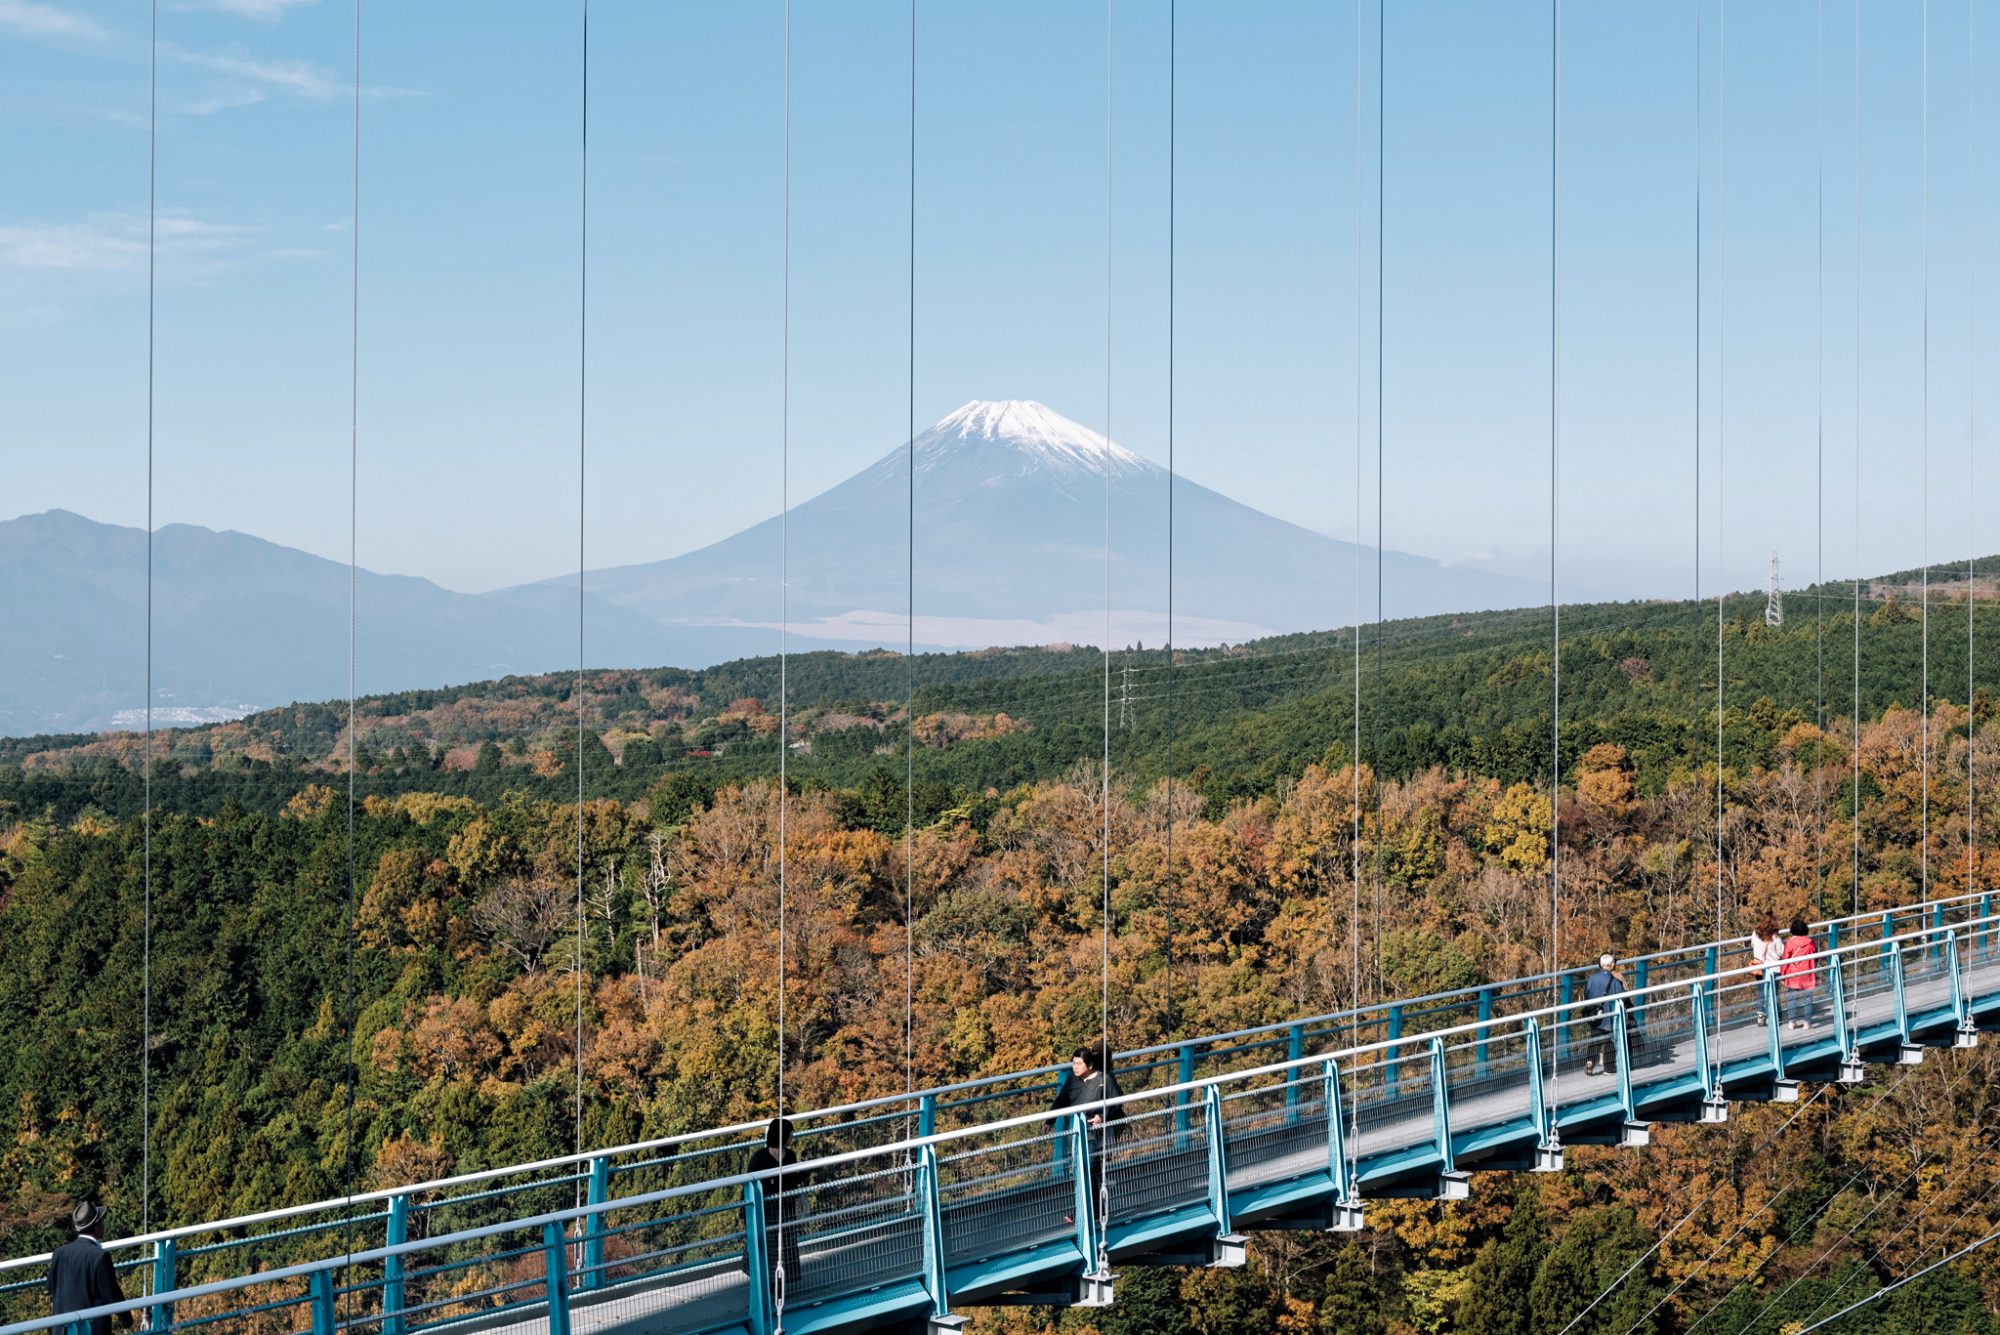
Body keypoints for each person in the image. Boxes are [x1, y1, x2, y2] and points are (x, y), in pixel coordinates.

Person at [1051, 1042, 1124, 1223]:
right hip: (1079, 1133)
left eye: (1078, 1064)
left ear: (1089, 1065)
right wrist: (1049, 1121)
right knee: (1084, 1172)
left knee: (1090, 1172)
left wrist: (1102, 1117)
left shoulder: (1104, 1079)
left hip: (1098, 1133)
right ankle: (1095, 1212)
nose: (1074, 1068)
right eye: (1073, 1064)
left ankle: (1088, 1214)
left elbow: (1117, 1105)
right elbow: (1061, 1100)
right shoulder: (1073, 1081)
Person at [48, 1201, 131, 1335]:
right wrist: (126, 1319)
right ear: (96, 1226)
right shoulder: (99, 1256)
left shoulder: (59, 1253)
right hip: (91, 1329)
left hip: (61, 1329)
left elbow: (51, 1287)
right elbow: (111, 1293)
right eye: (102, 1221)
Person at [746, 1118, 803, 1311]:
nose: (792, 1136)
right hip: (766, 1211)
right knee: (768, 1249)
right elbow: (750, 1186)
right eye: (790, 1133)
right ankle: (770, 1287)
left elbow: (792, 1181)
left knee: (783, 1247)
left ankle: (779, 1285)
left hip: (785, 1209)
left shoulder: (790, 1156)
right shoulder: (759, 1158)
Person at [1582, 953, 1625, 1077]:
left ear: (1600, 965)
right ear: (1611, 965)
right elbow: (1623, 997)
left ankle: (1590, 1061)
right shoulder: (1614, 981)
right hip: (1608, 1016)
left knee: (1594, 1039)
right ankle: (1609, 1068)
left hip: (1594, 1014)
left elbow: (1587, 994)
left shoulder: (1591, 979)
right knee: (1609, 1040)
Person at [1778, 917, 1819, 1029]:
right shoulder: (1810, 942)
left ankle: (1791, 1022)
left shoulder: (1790, 943)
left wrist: (1783, 975)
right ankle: (1807, 1022)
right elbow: (1816, 957)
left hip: (1793, 974)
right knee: (1808, 998)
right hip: (1808, 973)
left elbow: (1785, 960)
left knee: (1791, 997)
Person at [1749, 913, 1785, 1026]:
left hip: (1759, 967)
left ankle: (1760, 1015)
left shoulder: (1755, 933)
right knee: (1773, 993)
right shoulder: (1775, 938)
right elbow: (1781, 952)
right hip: (1773, 968)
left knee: (1761, 991)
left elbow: (1752, 944)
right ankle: (1772, 1016)